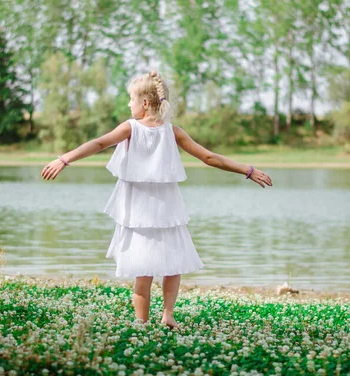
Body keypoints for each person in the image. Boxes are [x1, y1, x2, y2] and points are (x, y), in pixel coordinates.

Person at [41, 70, 273, 329]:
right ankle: (168, 315)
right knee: (173, 263)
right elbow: (209, 158)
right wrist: (247, 170)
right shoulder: (173, 131)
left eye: (130, 99)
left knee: (144, 270)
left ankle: (141, 322)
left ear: (144, 103)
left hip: (139, 212)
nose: (128, 104)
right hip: (168, 210)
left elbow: (98, 144)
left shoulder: (130, 128)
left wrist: (64, 158)